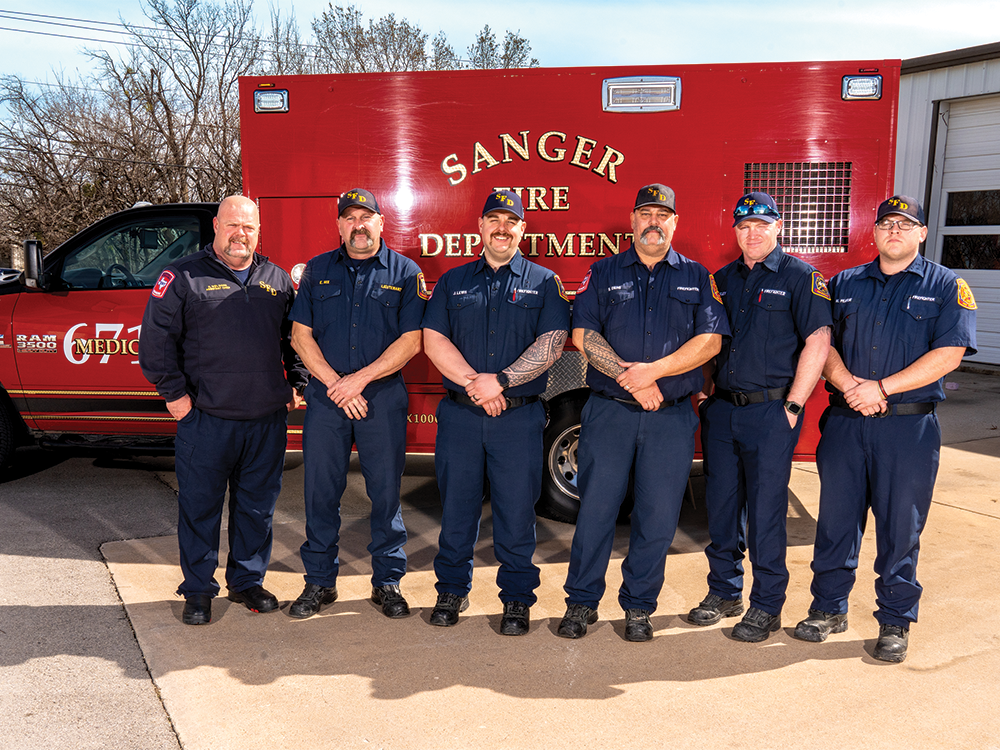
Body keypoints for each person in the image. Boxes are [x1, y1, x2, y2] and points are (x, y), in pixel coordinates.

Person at [792, 195, 977, 662]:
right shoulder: (843, 284)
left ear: (921, 233)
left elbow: (949, 353)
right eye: (886, 224)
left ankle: (894, 620)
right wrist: (851, 386)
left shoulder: (947, 286)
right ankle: (828, 608)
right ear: (873, 233)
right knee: (835, 523)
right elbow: (821, 342)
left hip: (907, 431)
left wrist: (882, 388)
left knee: (900, 528)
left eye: (904, 224)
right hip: (846, 424)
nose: (894, 231)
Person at [558, 184, 729, 642]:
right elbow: (582, 333)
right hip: (609, 412)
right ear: (633, 221)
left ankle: (638, 607)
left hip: (670, 417)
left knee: (657, 516)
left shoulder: (697, 276)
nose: (654, 222)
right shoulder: (603, 272)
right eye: (646, 214)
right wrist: (628, 378)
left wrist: (652, 374)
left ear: (675, 222)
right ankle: (581, 603)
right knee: (595, 510)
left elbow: (710, 341)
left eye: (663, 215)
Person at [139, 195, 307, 626]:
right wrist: (177, 400)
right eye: (232, 225)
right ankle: (198, 590)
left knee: (256, 510)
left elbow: (298, 339)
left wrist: (298, 383)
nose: (240, 235)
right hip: (207, 421)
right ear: (216, 226)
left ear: (258, 231)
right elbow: (155, 345)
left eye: (248, 227)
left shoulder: (277, 280)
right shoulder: (182, 276)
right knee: (200, 509)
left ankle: (247, 581)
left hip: (266, 422)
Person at [421, 189, 570, 635]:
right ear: (481, 226)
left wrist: (500, 382)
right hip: (461, 417)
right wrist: (477, 384)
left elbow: (553, 344)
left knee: (516, 511)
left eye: (511, 221)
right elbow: (434, 340)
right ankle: (451, 589)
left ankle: (517, 599)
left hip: (518, 418)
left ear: (523, 229)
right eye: (494, 220)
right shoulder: (453, 281)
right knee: (457, 510)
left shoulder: (546, 282)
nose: (502, 228)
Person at [689, 192, 832, 642]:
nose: (752, 233)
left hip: (772, 412)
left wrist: (793, 404)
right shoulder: (722, 280)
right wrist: (704, 393)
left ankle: (766, 605)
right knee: (722, 507)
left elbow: (818, 340)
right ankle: (724, 592)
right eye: (743, 225)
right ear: (735, 231)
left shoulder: (800, 278)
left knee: (767, 512)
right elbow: (709, 340)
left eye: (761, 224)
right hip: (723, 412)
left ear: (778, 227)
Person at [288, 188, 427, 619]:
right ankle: (319, 583)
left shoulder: (405, 272)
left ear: (381, 223)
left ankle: (387, 583)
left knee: (385, 494)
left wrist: (359, 381)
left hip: (381, 399)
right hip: (329, 400)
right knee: (320, 493)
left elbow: (411, 341)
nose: (358, 225)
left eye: (366, 217)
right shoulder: (317, 270)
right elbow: (300, 336)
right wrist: (336, 385)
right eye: (349, 218)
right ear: (339, 225)